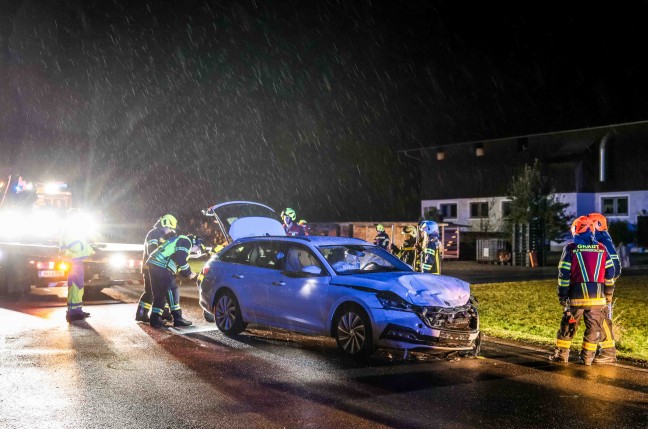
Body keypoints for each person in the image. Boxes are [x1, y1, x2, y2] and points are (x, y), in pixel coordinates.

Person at [549, 216, 615, 365]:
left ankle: (561, 355)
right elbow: (610, 274)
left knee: (569, 325)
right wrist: (608, 294)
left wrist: (562, 294)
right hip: (597, 299)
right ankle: (587, 358)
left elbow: (564, 273)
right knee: (593, 329)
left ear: (575, 230)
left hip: (576, 298)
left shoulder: (571, 248)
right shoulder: (602, 248)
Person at [146, 233, 199, 328]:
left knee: (159, 293)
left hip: (154, 262)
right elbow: (181, 259)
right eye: (198, 249)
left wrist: (186, 274)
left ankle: (155, 319)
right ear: (195, 243)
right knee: (172, 290)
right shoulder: (186, 241)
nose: (196, 251)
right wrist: (189, 273)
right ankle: (178, 318)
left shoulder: (178, 240)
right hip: (163, 265)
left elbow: (178, 263)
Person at [588, 212, 620, 363]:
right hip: (601, 286)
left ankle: (608, 353)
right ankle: (603, 350)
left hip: (602, 288)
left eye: (590, 224)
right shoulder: (603, 240)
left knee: (603, 317)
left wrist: (605, 282)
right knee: (599, 318)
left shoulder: (603, 242)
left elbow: (614, 269)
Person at [135, 214, 177, 323]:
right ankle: (141, 313)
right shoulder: (153, 233)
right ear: (164, 224)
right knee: (150, 291)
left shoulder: (165, 236)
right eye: (169, 228)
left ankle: (164, 313)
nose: (170, 231)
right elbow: (152, 250)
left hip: (160, 268)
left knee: (163, 290)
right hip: (150, 267)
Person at [59, 210, 96, 322]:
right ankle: (72, 312)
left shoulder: (72, 229)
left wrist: (90, 248)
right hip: (73, 261)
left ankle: (77, 310)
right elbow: (77, 247)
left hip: (76, 261)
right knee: (75, 286)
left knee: (78, 286)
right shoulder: (71, 230)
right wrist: (90, 250)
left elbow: (81, 244)